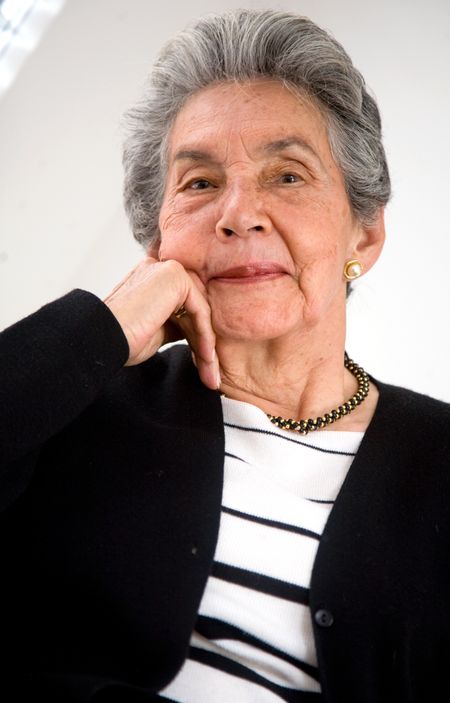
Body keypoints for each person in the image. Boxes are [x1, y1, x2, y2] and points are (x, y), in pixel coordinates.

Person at [1, 8, 449, 703]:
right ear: (158, 243)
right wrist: (104, 327)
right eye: (200, 183)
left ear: (363, 237)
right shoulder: (72, 404)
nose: (239, 213)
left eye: (288, 176)